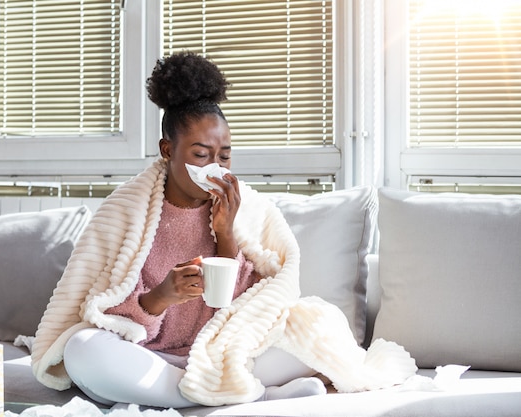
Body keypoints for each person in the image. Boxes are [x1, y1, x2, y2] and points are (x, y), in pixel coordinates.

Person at [30, 51, 416, 408]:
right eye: (200, 154)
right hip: (147, 352)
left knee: (317, 329)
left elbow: (257, 305)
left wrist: (226, 234)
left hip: (225, 348)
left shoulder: (246, 206)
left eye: (224, 154)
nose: (215, 165)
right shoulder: (126, 209)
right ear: (168, 151)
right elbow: (99, 310)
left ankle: (186, 391)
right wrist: (161, 297)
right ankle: (251, 395)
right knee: (83, 349)